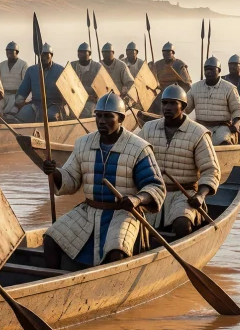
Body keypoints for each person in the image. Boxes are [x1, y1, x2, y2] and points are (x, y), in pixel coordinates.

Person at [41, 93, 163, 268]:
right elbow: (71, 179)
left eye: (108, 116)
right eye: (98, 116)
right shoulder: (82, 143)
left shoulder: (139, 148)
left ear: (121, 119)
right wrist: (55, 173)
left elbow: (156, 186)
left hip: (123, 213)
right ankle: (53, 280)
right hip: (89, 210)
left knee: (117, 253)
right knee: (50, 239)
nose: (101, 121)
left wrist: (136, 199)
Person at [140, 85, 219, 239]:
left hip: (184, 194)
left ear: (183, 107)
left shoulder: (198, 133)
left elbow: (211, 170)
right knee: (132, 222)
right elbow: (135, 159)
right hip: (153, 192)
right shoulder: (148, 128)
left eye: (173, 103)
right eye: (165, 103)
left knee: (183, 226)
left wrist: (200, 195)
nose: (167, 107)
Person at [186, 57, 240, 145]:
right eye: (206, 69)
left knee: (224, 142)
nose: (208, 72)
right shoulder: (195, 88)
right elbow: (185, 108)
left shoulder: (229, 88)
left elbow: (239, 109)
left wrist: (236, 124)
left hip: (222, 128)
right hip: (201, 127)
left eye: (212, 69)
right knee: (190, 143)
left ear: (219, 70)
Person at [14, 43, 67, 123]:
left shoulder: (61, 70)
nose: (43, 57)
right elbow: (23, 89)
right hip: (36, 104)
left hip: (55, 104)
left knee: (50, 116)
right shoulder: (31, 70)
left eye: (46, 54)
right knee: (22, 115)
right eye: (41, 54)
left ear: (51, 55)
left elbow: (67, 92)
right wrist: (19, 100)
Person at [70, 42, 103, 118]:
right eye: (79, 52)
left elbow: (101, 86)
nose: (80, 54)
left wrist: (92, 96)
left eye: (83, 52)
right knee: (73, 115)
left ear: (89, 53)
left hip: (92, 100)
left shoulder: (97, 67)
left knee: (87, 113)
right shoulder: (72, 66)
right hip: (76, 98)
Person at [0, 41, 28, 120]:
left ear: (16, 52)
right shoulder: (1, 65)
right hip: (3, 96)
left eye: (11, 51)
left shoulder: (23, 64)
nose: (9, 53)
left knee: (11, 114)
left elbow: (25, 83)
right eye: (7, 51)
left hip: (16, 96)